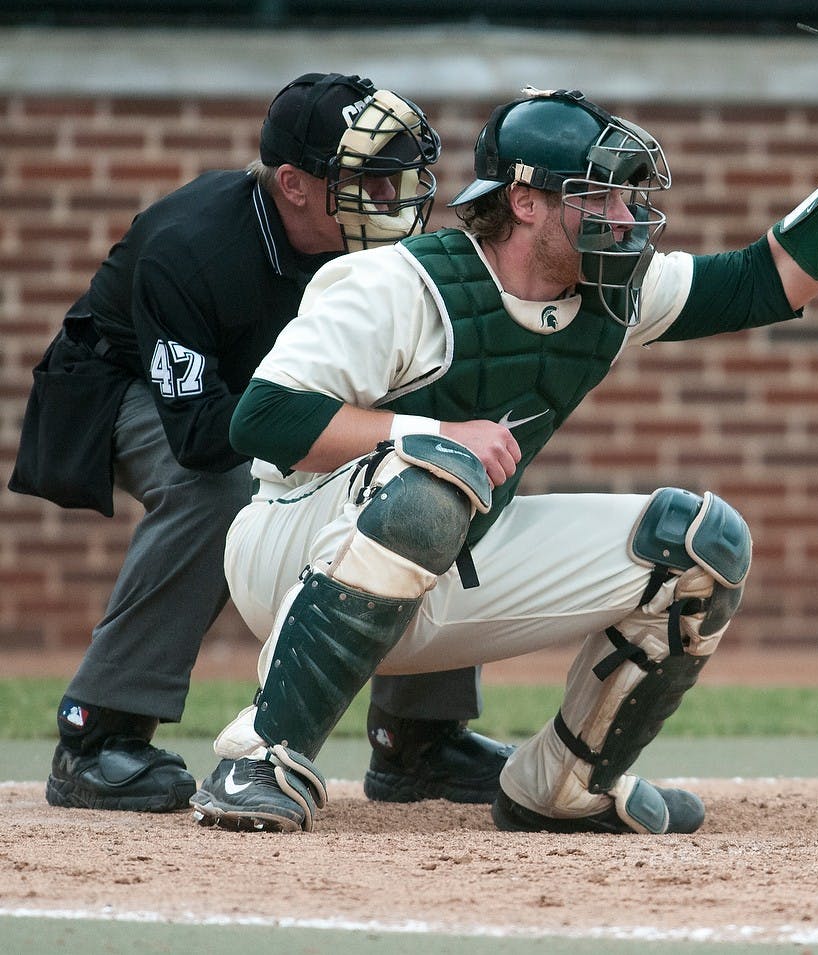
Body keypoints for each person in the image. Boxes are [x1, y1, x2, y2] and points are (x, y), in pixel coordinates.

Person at [187, 82, 818, 835]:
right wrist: (424, 431)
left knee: (702, 544)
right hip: (290, 552)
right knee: (437, 470)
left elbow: (767, 282)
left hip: (443, 562)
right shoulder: (400, 284)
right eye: (601, 197)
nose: (627, 218)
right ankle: (261, 756)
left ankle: (565, 782)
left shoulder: (611, 292)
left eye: (631, 198)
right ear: (527, 201)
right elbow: (263, 419)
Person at [8, 71, 511, 814]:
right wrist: (325, 429)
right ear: (294, 185)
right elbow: (203, 434)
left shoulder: (378, 253)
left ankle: (418, 742)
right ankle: (96, 732)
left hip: (262, 394)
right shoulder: (190, 248)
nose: (388, 199)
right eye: (364, 181)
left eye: (391, 179)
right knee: (215, 488)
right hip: (123, 389)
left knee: (427, 467)